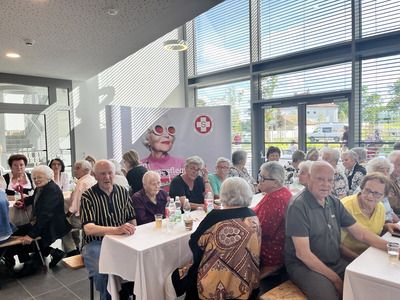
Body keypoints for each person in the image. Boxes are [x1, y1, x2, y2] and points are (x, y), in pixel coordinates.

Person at [284, 161, 394, 300]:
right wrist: (336, 280)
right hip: (304, 266)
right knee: (330, 296)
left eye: (330, 180)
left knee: (367, 284)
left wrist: (392, 248)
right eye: (320, 178)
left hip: (334, 261)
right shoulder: (298, 205)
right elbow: (303, 254)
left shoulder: (333, 201)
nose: (326, 184)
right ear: (310, 177)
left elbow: (361, 234)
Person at [166, 177, 261, 300]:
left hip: (214, 286)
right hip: (248, 283)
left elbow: (195, 243)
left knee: (170, 280)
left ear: (224, 194)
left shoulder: (215, 217)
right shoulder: (252, 215)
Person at [80, 160, 137, 300]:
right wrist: (117, 230)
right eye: (102, 174)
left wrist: (131, 231)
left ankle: (124, 293)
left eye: (110, 173)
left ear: (115, 173)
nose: (107, 177)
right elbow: (88, 229)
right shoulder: (88, 196)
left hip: (120, 239)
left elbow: (132, 219)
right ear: (94, 175)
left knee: (140, 262)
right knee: (102, 273)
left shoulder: (123, 192)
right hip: (95, 243)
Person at [8, 165, 71, 277]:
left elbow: (46, 215)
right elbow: (34, 198)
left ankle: (29, 264)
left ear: (48, 177)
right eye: (34, 178)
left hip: (51, 224)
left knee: (14, 234)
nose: (36, 180)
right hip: (44, 222)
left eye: (39, 177)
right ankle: (53, 252)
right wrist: (24, 202)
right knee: (16, 232)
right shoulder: (43, 186)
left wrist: (31, 235)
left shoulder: (51, 190)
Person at [340, 173, 400, 261]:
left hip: (374, 252)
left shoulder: (380, 207)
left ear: (384, 197)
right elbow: (336, 245)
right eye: (367, 190)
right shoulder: (345, 207)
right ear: (361, 188)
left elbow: (370, 227)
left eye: (376, 193)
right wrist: (358, 260)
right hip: (350, 258)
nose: (370, 196)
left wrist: (386, 226)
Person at [254, 162, 292, 267]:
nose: (259, 180)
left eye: (263, 178)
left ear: (276, 183)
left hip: (271, 252)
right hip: (280, 247)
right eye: (259, 175)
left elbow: (262, 231)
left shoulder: (275, 199)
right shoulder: (281, 192)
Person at [63, 160, 97, 257]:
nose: (74, 171)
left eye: (78, 168)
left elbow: (76, 204)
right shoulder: (93, 180)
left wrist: (68, 214)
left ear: (86, 170)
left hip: (83, 219)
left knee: (61, 225)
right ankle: (76, 245)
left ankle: (72, 250)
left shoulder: (82, 183)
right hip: (93, 216)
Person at [353, 157, 400, 224]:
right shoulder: (367, 190)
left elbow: (390, 212)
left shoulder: (382, 188)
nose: (385, 174)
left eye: (387, 171)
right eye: (381, 171)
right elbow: (380, 219)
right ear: (372, 172)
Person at [140, 115, 186, 181]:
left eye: (170, 130)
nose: (167, 135)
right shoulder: (140, 166)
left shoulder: (182, 164)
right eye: (158, 130)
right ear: (147, 138)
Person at [387, 150, 400, 216]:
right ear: (390, 164)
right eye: (399, 164)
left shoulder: (395, 178)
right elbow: (394, 205)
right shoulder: (387, 181)